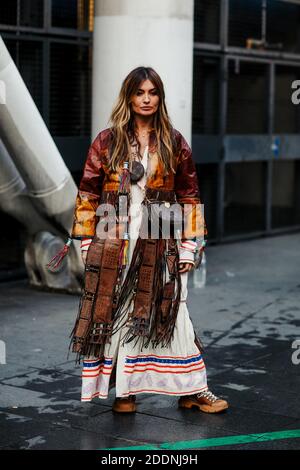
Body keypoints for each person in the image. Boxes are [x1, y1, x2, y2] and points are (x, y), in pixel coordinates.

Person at [68, 66, 229, 414]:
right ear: (129, 96)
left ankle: (193, 387)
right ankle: (125, 394)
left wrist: (190, 245)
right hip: (115, 238)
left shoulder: (173, 141)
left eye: (152, 92)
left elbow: (189, 197)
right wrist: (86, 241)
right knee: (121, 315)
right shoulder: (107, 140)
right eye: (139, 92)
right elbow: (87, 193)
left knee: (173, 311)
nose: (146, 99)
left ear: (160, 97)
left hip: (161, 234)